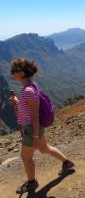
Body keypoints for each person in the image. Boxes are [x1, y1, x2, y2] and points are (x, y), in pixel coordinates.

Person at [10, 58, 74, 194]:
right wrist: (17, 101)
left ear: (21, 73)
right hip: (33, 128)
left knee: (25, 157)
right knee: (45, 149)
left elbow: (34, 114)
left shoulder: (28, 90)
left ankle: (32, 183)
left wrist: (34, 135)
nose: (11, 74)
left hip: (31, 129)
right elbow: (29, 107)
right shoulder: (30, 87)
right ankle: (66, 163)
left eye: (13, 71)